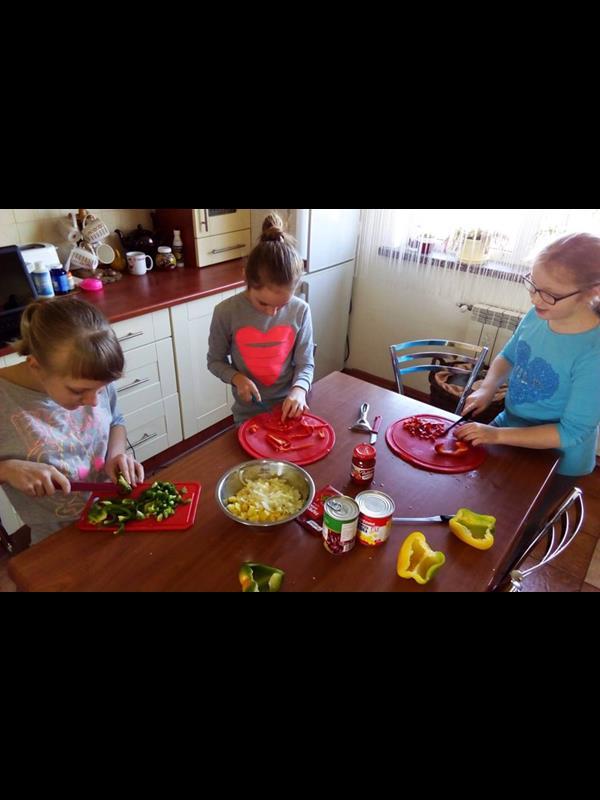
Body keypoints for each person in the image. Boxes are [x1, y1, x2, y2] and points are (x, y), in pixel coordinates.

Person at [457, 233, 600, 489]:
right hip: (508, 427)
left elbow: (572, 432)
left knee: (513, 512)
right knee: (474, 491)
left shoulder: (593, 352)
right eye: (533, 285)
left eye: (549, 294)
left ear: (592, 292)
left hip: (557, 459)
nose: (534, 299)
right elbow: (508, 356)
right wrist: (487, 388)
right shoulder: (537, 315)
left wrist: (495, 435)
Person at [0, 296, 144, 545]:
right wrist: (6, 469)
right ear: (35, 366)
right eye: (78, 391)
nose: (93, 402)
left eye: (101, 390)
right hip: (56, 536)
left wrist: (116, 454)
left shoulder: (95, 375)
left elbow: (115, 420)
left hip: (113, 511)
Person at [207, 212, 315, 425]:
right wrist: (237, 378)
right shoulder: (226, 312)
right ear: (247, 279)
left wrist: (299, 390)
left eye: (281, 305)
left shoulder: (301, 311)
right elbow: (215, 361)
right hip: (248, 415)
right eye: (263, 303)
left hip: (288, 410)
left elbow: (305, 364)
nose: (272, 313)